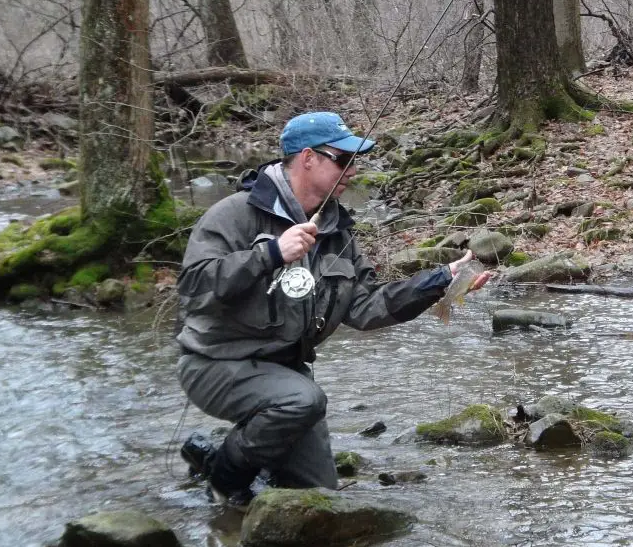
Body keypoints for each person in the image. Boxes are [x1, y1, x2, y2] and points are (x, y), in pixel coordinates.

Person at [175, 111, 491, 509]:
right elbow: (193, 287)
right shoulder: (235, 214)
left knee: (318, 499)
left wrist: (439, 281)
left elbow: (366, 308)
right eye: (343, 160)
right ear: (308, 158)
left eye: (354, 160)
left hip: (285, 373)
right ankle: (222, 476)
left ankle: (239, 459)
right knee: (304, 401)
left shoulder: (337, 232)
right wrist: (270, 254)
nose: (353, 170)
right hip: (215, 363)